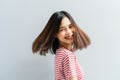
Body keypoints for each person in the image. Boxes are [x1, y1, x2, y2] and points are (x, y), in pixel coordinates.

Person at [32, 11, 91, 80]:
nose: (69, 32)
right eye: (62, 29)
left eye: (70, 26)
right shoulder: (67, 55)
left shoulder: (60, 52)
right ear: (55, 33)